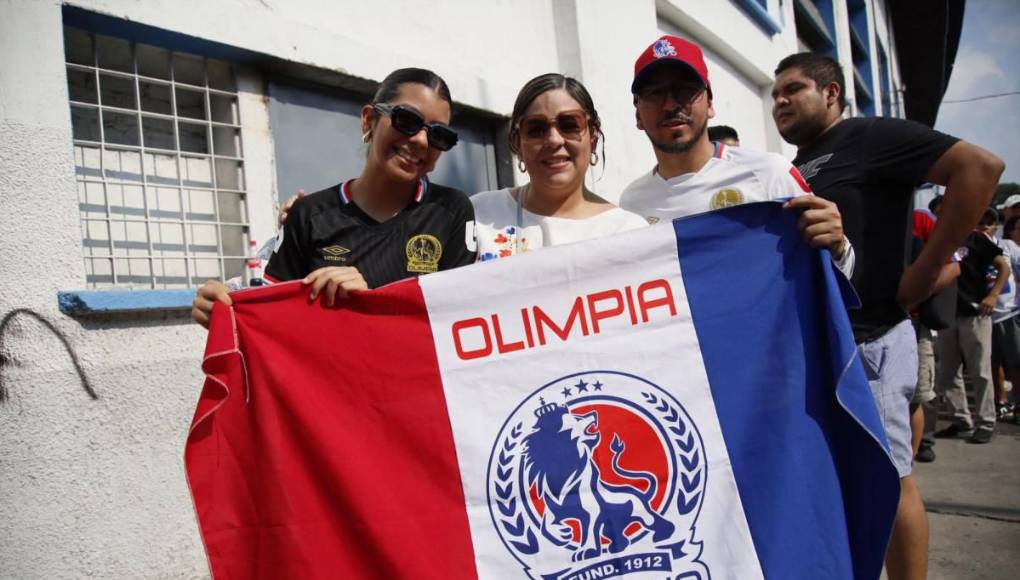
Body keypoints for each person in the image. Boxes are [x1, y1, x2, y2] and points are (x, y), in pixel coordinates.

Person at [771, 52, 1004, 580]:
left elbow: (980, 167)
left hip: (872, 339)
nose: (780, 101)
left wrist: (931, 265)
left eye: (793, 89)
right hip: (822, 343)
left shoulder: (869, 136)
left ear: (831, 93)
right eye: (774, 94)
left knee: (890, 479)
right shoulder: (795, 165)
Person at [192, 68, 476, 326]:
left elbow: (457, 320)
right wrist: (226, 311)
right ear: (369, 120)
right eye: (407, 120)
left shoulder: (451, 211)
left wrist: (370, 302)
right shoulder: (308, 215)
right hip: (331, 382)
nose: (421, 141)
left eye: (440, 135)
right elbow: (272, 319)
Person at [619, 36, 853, 281]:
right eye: (654, 93)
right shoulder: (630, 205)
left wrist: (839, 248)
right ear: (637, 115)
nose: (670, 104)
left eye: (685, 90)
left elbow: (835, 280)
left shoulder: (770, 174)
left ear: (709, 104)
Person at [471, 74, 647, 261]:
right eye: (536, 129)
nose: (553, 140)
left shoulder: (628, 231)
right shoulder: (479, 215)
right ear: (517, 143)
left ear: (593, 138)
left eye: (570, 125)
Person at [991, 214, 1020, 421]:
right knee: (994, 364)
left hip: (1011, 312)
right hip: (991, 314)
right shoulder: (1005, 245)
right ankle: (1001, 401)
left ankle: (1017, 402)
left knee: (1015, 363)